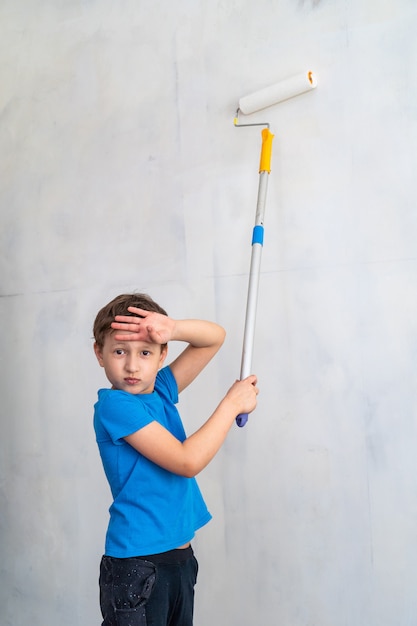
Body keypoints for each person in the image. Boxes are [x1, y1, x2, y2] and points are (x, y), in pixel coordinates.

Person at [92, 292, 259, 626]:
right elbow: (187, 461)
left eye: (145, 352)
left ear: (162, 354)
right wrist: (230, 405)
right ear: (100, 353)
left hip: (179, 559)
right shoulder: (115, 406)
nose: (132, 365)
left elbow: (213, 339)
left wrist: (173, 327)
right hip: (138, 566)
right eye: (120, 351)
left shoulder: (161, 390)